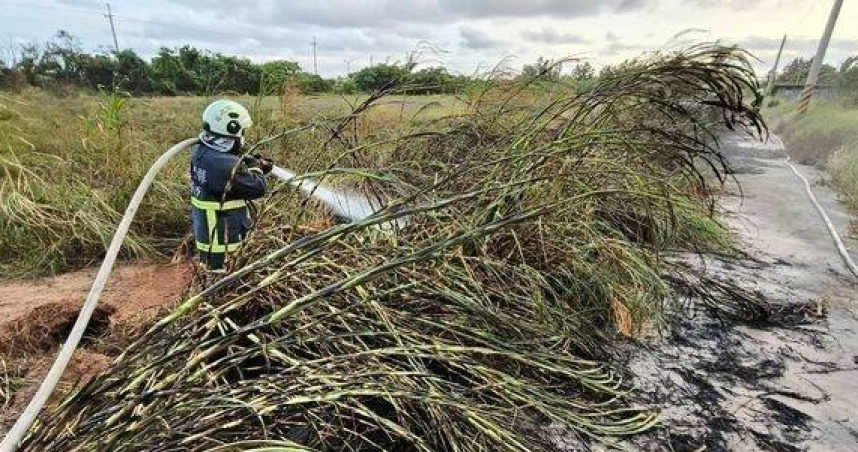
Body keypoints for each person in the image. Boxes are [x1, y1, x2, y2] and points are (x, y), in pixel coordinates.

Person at [190, 99, 273, 271]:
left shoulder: (204, 153)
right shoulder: (224, 167)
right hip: (225, 248)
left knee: (212, 275)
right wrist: (255, 168)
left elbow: (230, 174)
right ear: (232, 129)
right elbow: (258, 187)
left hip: (211, 244)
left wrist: (248, 162)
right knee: (226, 280)